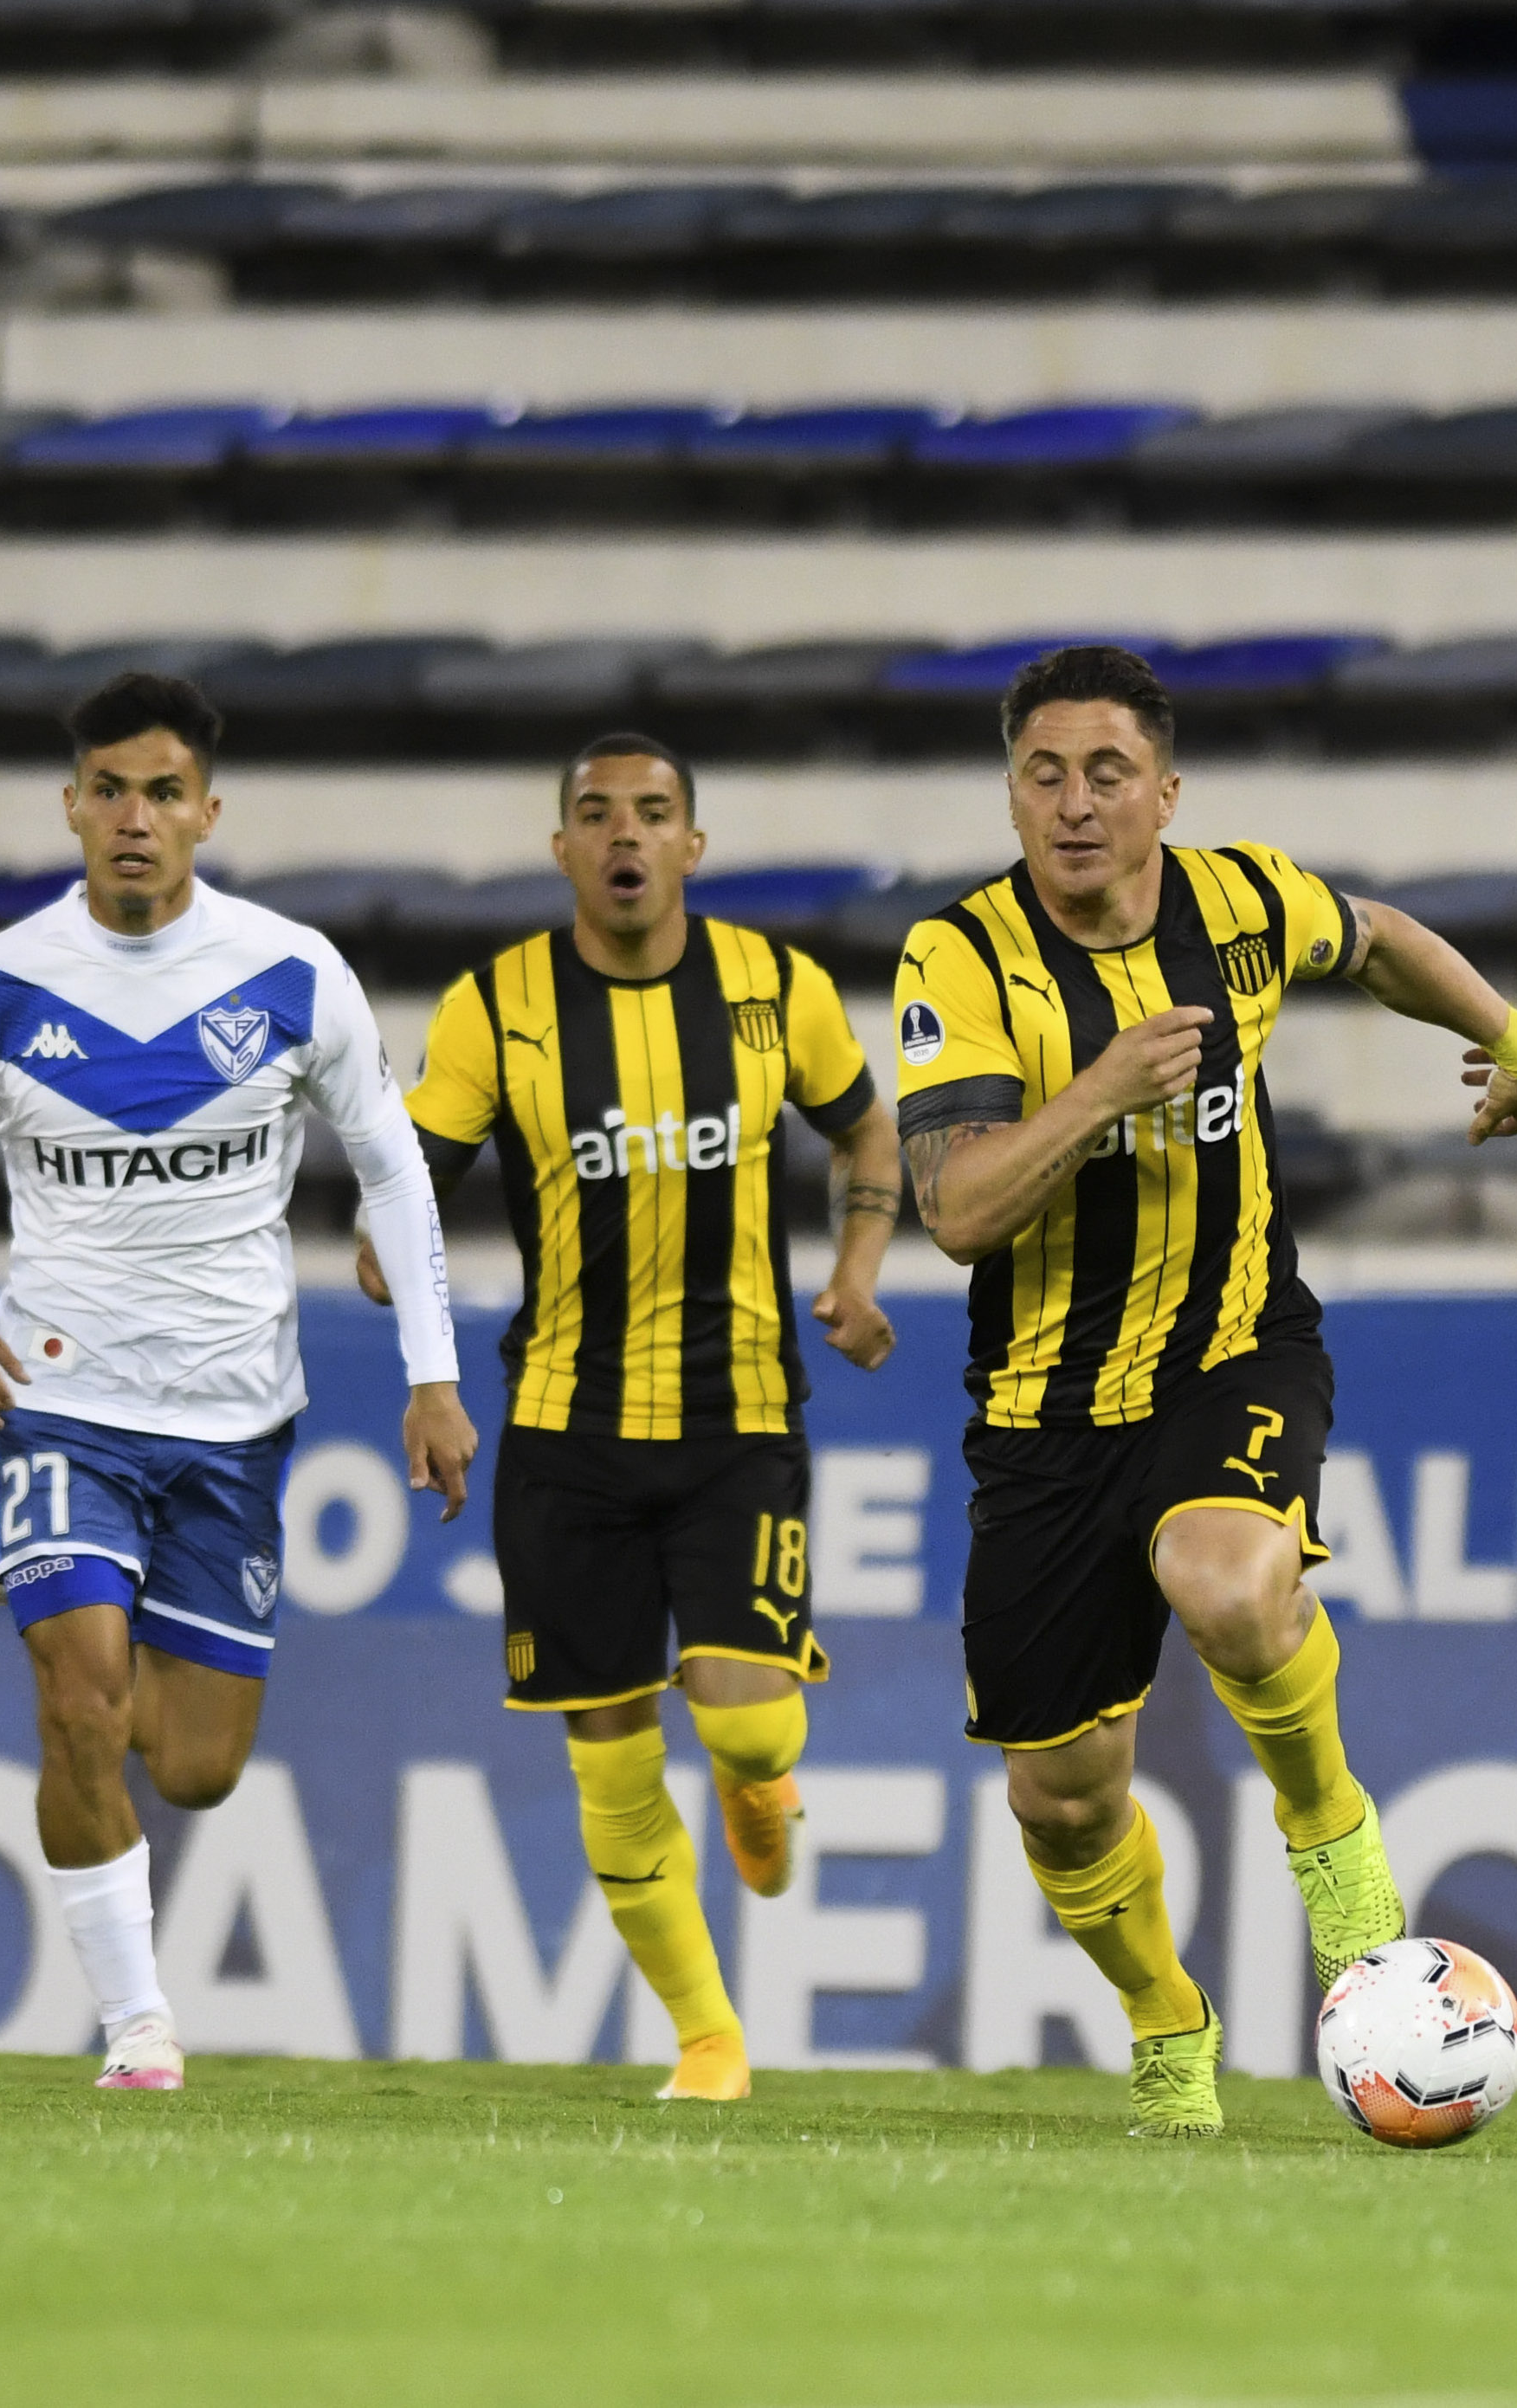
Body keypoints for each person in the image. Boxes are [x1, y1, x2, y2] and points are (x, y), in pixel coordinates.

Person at [888, 644, 1517, 2138]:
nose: (1073, 805)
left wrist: (1509, 1035)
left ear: (1165, 794)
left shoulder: (1240, 902)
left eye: (1106, 773)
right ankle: (1165, 2020)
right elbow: (958, 1210)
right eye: (1043, 774)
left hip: (1232, 1340)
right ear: (1010, 793)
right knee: (1062, 1796)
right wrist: (1100, 1091)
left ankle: (1332, 1840)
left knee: (1230, 1579)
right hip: (1046, 1412)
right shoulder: (960, 959)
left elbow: (1374, 937)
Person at [0, 669, 474, 2094]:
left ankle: (11, 1565)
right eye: (109, 790)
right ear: (71, 805)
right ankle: (137, 2021)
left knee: (195, 1765)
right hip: (59, 1399)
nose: (135, 818)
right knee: (81, 1702)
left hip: (232, 1419)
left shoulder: (289, 973)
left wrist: (430, 1375)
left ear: (207, 810)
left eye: (162, 792)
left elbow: (392, 1169)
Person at [367, 731, 901, 2104]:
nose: (624, 835)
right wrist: (404, 1295)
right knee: (607, 1758)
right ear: (562, 848)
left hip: (737, 1417)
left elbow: (866, 1128)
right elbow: (405, 1188)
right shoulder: (496, 1006)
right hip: (561, 1434)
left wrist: (854, 1269)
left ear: (691, 845)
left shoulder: (774, 990)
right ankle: (707, 2040)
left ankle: (755, 1778)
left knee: (741, 1729)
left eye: (652, 813)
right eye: (596, 814)